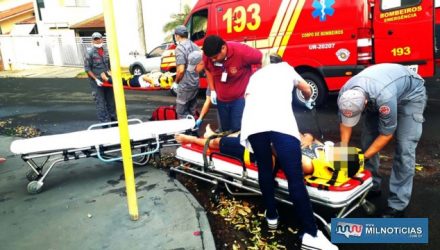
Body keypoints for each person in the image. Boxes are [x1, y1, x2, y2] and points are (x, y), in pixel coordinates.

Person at [240, 54, 338, 250]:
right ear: (281, 61)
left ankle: (272, 216)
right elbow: (307, 89)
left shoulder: (256, 76)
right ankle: (310, 233)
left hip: (254, 124)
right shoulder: (286, 68)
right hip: (280, 123)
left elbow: (248, 99)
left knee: (265, 169)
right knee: (295, 178)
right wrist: (309, 99)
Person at [337, 63, 427, 218]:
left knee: (405, 148)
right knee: (368, 139)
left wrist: (362, 159)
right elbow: (345, 123)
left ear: (364, 104)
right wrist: (343, 148)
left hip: (410, 95)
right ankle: (372, 185)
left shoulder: (384, 98)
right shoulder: (345, 93)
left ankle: (397, 205)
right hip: (381, 90)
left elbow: (386, 134)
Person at [175, 125, 320, 175]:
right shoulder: (324, 151)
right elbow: (308, 136)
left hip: (255, 151)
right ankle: (209, 134)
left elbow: (278, 151)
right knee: (237, 135)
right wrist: (307, 138)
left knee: (218, 143)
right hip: (263, 141)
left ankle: (191, 139)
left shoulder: (307, 163)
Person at [202, 35, 262, 132]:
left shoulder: (241, 51)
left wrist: (256, 85)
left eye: (215, 57)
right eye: (211, 58)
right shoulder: (208, 55)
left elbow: (262, 58)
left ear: (223, 48)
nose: (213, 60)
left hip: (240, 98)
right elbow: (207, 69)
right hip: (221, 99)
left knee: (237, 130)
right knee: (225, 130)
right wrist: (212, 90)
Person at [84, 32, 116, 123]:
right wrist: (96, 79)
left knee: (111, 102)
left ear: (102, 39)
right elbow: (87, 69)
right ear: (92, 41)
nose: (98, 41)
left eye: (99, 38)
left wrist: (111, 74)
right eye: (95, 39)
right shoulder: (89, 53)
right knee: (101, 104)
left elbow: (110, 65)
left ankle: (113, 121)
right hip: (97, 83)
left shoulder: (106, 51)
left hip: (107, 80)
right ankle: (104, 123)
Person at [173, 25, 201, 119]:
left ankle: (186, 133)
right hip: (195, 83)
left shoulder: (180, 48)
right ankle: (194, 131)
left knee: (181, 113)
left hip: (185, 85)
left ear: (177, 36)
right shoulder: (195, 45)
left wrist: (176, 83)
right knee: (192, 111)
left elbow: (180, 70)